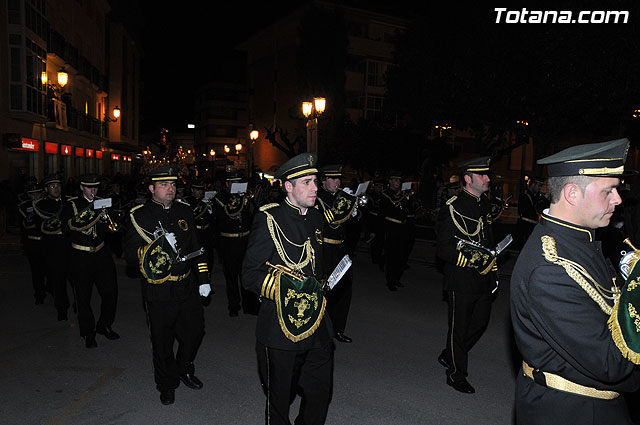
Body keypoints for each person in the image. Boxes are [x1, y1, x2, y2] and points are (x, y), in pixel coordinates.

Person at [510, 138, 640, 424]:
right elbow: (611, 363)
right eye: (609, 190)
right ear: (572, 193)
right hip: (572, 409)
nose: (617, 199)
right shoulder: (550, 267)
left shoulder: (582, 240)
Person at [242, 152, 333, 425]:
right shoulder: (269, 219)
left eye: (315, 181)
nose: (315, 187)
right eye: (306, 182)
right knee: (280, 398)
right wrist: (287, 291)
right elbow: (249, 274)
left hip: (317, 323)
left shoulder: (316, 217)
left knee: (320, 392)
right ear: (288, 187)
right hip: (281, 327)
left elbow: (316, 268)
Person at [124, 165, 211, 405]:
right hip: (158, 288)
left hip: (186, 285)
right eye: (164, 185)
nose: (170, 189)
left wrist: (203, 279)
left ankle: (183, 368)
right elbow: (130, 254)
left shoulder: (185, 211)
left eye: (173, 184)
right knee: (162, 341)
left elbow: (196, 247)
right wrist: (157, 246)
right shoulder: (138, 215)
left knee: (195, 331)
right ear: (152, 188)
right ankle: (167, 383)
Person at [435, 156, 501, 394]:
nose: (487, 179)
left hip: (483, 278)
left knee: (480, 324)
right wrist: (473, 261)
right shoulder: (453, 206)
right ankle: (455, 374)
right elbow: (443, 249)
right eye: (482, 175)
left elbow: (488, 241)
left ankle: (449, 354)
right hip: (461, 277)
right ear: (467, 179)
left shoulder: (484, 204)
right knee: (459, 329)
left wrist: (493, 271)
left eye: (487, 174)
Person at [61, 174, 119, 348]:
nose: (93, 191)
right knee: (83, 297)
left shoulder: (102, 202)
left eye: (95, 187)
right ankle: (88, 332)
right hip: (80, 256)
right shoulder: (72, 205)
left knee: (111, 292)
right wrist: (91, 214)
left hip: (101, 253)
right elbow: (66, 227)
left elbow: (110, 227)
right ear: (81, 188)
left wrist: (110, 222)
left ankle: (104, 325)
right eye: (89, 187)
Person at [316, 164, 360, 343]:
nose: (337, 182)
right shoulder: (318, 198)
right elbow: (326, 222)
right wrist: (344, 204)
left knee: (344, 289)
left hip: (341, 248)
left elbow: (351, 227)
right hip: (325, 249)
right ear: (324, 181)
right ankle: (320, 330)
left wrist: (354, 212)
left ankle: (338, 328)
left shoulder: (342, 197)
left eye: (338, 178)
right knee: (325, 289)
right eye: (332, 179)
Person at [211, 168, 259, 316]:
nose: (238, 185)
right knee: (231, 276)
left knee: (246, 274)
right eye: (234, 183)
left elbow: (252, 217)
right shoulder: (219, 199)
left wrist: (247, 202)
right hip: (228, 241)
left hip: (244, 240)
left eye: (239, 182)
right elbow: (221, 219)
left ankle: (249, 305)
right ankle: (234, 305)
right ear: (227, 184)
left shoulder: (246, 197)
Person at [33, 173, 71, 321]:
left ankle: (78, 306)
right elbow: (40, 228)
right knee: (58, 282)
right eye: (52, 186)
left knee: (77, 281)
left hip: (70, 246)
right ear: (46, 189)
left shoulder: (69, 202)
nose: (56, 189)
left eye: (58, 186)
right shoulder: (41, 206)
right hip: (54, 250)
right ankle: (62, 309)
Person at [378, 171, 413, 291]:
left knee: (402, 256)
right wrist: (403, 195)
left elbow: (407, 209)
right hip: (391, 227)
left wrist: (408, 198)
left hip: (403, 228)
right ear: (390, 181)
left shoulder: (402, 194)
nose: (398, 182)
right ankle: (390, 281)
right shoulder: (385, 193)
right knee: (392, 256)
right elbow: (393, 201)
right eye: (396, 180)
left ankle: (397, 278)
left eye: (399, 180)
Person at [18, 179, 46, 304]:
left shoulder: (47, 205)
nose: (35, 196)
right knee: (36, 271)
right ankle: (39, 294)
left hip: (47, 243)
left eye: (38, 193)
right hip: (33, 243)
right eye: (32, 194)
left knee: (50, 269)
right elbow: (24, 226)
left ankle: (49, 288)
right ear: (29, 195)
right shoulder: (24, 207)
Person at [184, 178, 215, 285]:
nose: (200, 192)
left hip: (206, 233)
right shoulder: (187, 202)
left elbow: (213, 220)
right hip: (194, 234)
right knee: (195, 259)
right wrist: (203, 206)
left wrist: (210, 209)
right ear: (192, 190)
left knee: (208, 259)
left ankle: (207, 280)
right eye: (197, 189)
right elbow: (192, 216)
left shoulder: (206, 202)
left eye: (202, 190)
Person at [516, 176, 544, 248]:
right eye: (539, 186)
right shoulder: (525, 195)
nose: (540, 188)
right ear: (533, 184)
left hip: (533, 226)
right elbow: (527, 211)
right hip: (525, 226)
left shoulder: (536, 196)